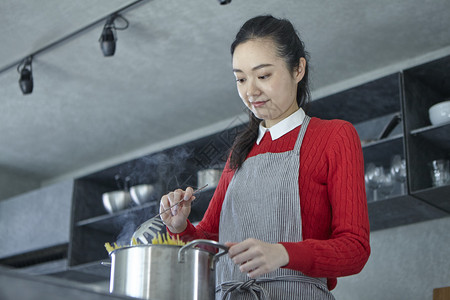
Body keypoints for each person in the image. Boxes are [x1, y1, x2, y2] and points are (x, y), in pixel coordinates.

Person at [160, 15, 371, 300]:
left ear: (298, 69)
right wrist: (181, 227)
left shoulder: (334, 136)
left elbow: (355, 249)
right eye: (241, 79)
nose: (251, 91)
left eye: (263, 76)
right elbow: (211, 243)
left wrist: (283, 253)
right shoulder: (240, 150)